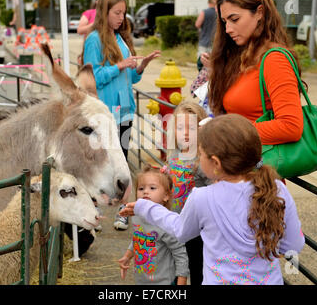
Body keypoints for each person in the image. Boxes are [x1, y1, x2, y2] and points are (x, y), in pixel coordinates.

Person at [120, 113, 305, 285]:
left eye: (200, 154)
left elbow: (180, 230)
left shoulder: (203, 197)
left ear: (215, 163)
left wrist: (145, 207)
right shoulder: (276, 188)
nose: (198, 158)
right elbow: (293, 245)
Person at [83, 0, 160, 230]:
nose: (121, 17)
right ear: (104, 12)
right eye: (117, 12)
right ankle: (93, 211)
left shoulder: (121, 38)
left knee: (123, 163)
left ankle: (123, 212)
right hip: (105, 115)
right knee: (100, 163)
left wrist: (140, 67)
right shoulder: (93, 40)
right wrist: (118, 66)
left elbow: (130, 79)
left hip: (124, 113)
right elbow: (91, 77)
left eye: (123, 13)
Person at [208, 0, 304, 147]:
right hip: (237, 158)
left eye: (235, 19)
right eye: (224, 22)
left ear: (259, 12)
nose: (228, 29)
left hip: (259, 165)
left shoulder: (274, 59)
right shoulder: (240, 56)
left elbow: (291, 126)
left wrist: (227, 132)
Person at [117, 165, 189, 285]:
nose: (145, 191)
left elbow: (181, 255)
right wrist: (127, 256)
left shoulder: (167, 223)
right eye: (141, 188)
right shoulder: (137, 217)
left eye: (152, 188)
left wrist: (181, 281)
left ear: (166, 196)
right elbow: (138, 239)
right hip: (142, 280)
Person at [166, 101, 211, 285]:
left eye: (191, 128)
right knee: (176, 266)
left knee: (196, 268)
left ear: (201, 130)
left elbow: (214, 190)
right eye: (180, 127)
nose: (185, 132)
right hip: (175, 224)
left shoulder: (202, 161)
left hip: (196, 230)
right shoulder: (175, 154)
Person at [195, 0, 223, 72]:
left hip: (204, 42)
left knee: (202, 64)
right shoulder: (219, 12)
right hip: (215, 42)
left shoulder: (204, 12)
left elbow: (197, 24)